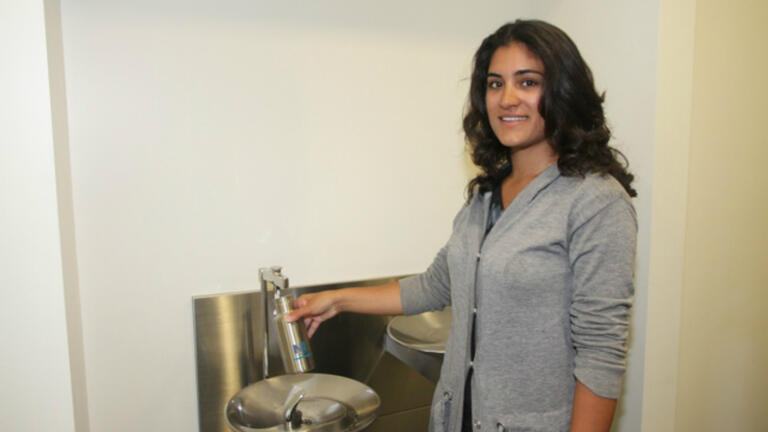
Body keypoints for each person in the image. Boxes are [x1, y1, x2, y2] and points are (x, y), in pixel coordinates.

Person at [286, 19, 637, 432]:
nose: (507, 98)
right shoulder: (485, 196)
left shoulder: (595, 201)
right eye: (494, 84)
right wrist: (338, 300)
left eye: (527, 82)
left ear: (561, 91)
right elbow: (437, 285)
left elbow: (600, 355)